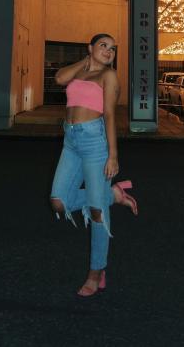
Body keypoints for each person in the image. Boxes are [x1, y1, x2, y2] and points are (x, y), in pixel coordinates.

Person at [50, 33, 138, 297]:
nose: (109, 51)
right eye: (103, 46)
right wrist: (86, 61)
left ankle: (96, 271)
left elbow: (110, 115)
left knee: (98, 212)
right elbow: (59, 78)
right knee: (59, 202)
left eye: (112, 48)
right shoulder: (80, 71)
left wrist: (113, 155)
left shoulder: (108, 76)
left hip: (94, 142)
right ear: (90, 48)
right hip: (71, 141)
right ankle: (112, 195)